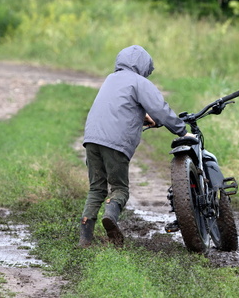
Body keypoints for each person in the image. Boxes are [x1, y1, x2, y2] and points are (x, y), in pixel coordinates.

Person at [78, 45, 194, 247]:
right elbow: (160, 109)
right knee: (120, 189)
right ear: (143, 66)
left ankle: (85, 238)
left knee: (96, 189)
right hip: (115, 144)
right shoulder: (139, 82)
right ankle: (111, 218)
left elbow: (116, 110)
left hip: (92, 139)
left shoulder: (110, 79)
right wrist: (182, 131)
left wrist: (143, 117)